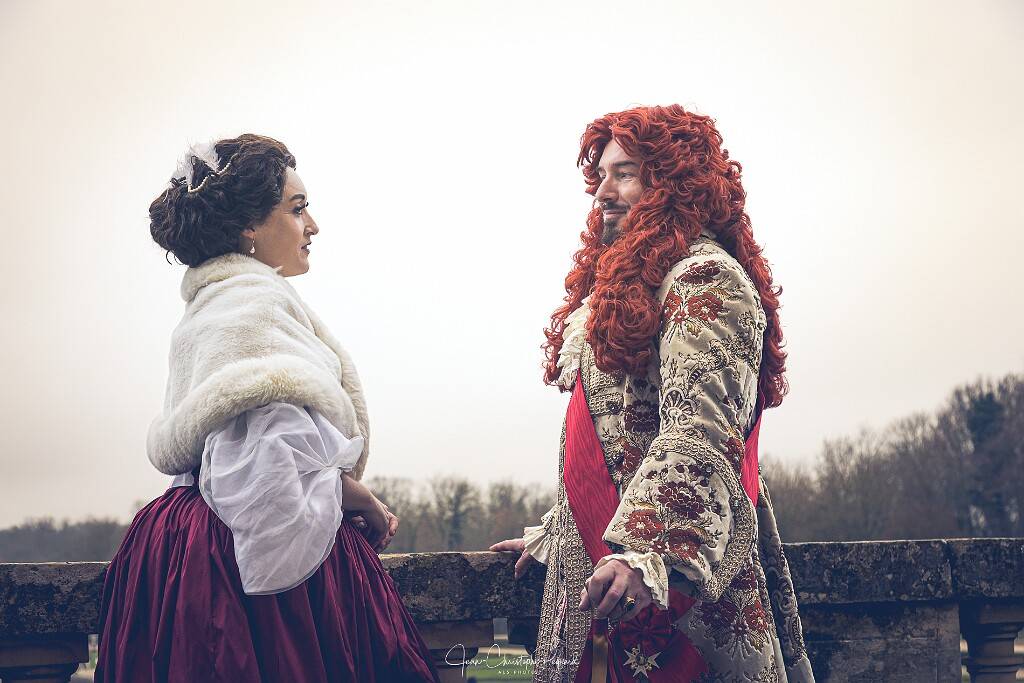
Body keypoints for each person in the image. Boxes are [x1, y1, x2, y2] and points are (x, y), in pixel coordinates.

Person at [95, 134, 440, 682]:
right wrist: (362, 499)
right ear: (248, 227)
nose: (313, 226)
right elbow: (265, 479)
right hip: (231, 569)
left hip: (183, 545)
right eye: (297, 209)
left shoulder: (214, 304)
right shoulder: (251, 306)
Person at [491, 106, 815, 682]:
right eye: (601, 175)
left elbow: (701, 432)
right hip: (610, 578)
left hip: (677, 589)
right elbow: (621, 441)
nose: (602, 192)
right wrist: (562, 535)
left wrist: (646, 553)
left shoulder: (707, 279)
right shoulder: (628, 285)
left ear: (675, 184)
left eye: (625, 174)